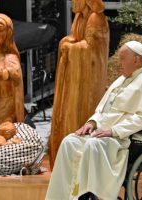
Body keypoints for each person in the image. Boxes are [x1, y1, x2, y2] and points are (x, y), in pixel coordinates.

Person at [46, 41, 142, 200]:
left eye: (123, 59)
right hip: (104, 133)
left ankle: (86, 196)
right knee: (69, 141)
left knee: (93, 144)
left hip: (128, 138)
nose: (119, 64)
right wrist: (91, 123)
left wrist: (113, 131)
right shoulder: (122, 79)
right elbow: (103, 109)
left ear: (136, 60)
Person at [49, 0, 110, 168]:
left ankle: (78, 164)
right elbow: (75, 38)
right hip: (76, 78)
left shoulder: (95, 18)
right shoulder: (79, 17)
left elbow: (91, 48)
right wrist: (67, 42)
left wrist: (70, 48)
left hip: (88, 82)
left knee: (81, 113)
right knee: (68, 113)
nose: (72, 3)